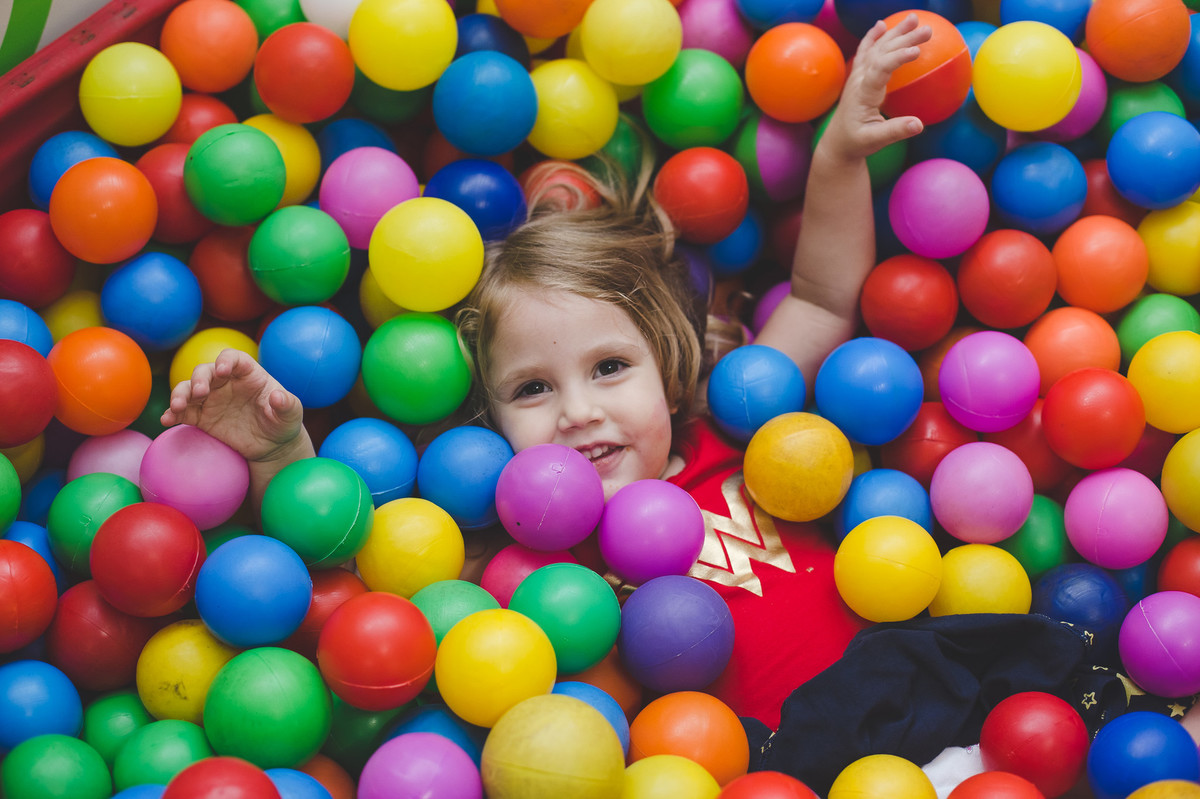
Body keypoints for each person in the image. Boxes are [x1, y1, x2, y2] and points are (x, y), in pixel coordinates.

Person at [162, 15, 934, 729]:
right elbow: (348, 573)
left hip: (919, 685)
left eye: (609, 367)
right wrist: (275, 455)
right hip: (769, 767)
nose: (578, 411)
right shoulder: (532, 565)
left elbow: (823, 298)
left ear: (668, 362)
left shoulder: (736, 425)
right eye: (532, 388)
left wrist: (837, 152)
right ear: (490, 422)